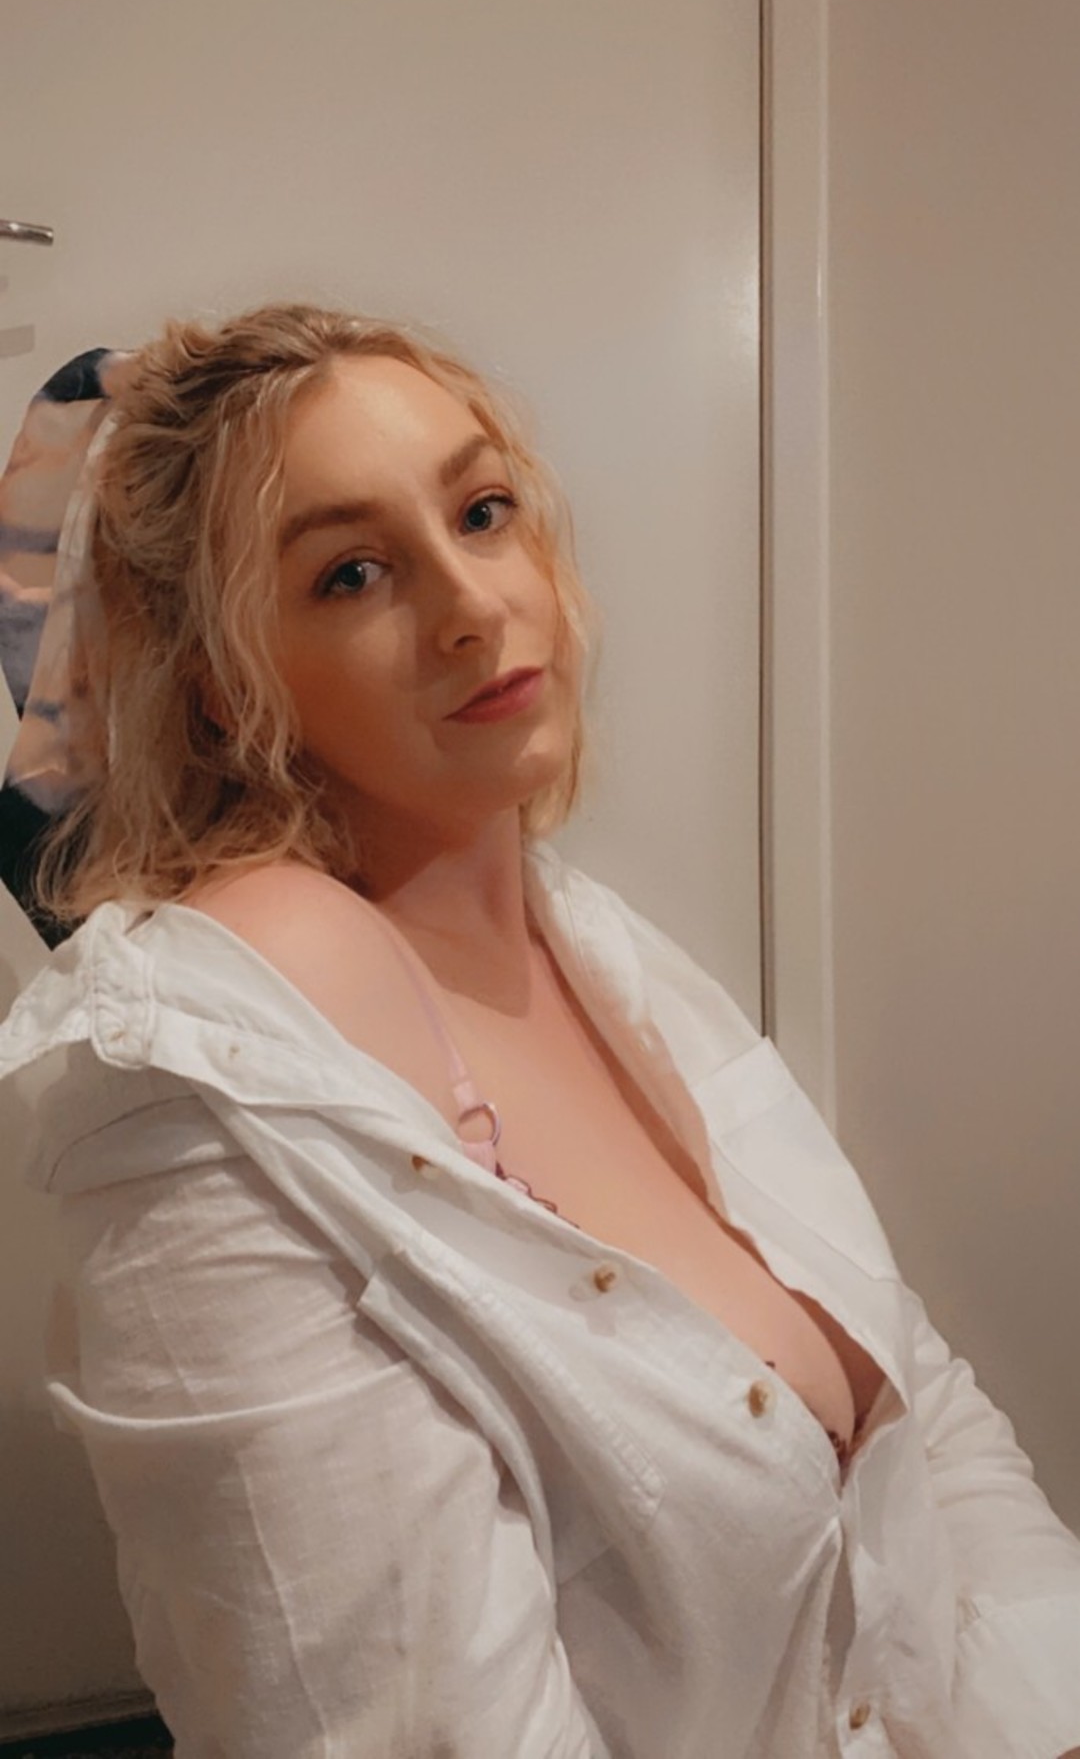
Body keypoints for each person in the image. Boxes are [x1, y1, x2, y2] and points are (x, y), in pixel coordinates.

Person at [1, 302, 1078, 1759]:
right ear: (221, 683)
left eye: (483, 511)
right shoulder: (195, 1077)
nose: (471, 604)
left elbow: (913, 1392)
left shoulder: (600, 949)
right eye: (352, 572)